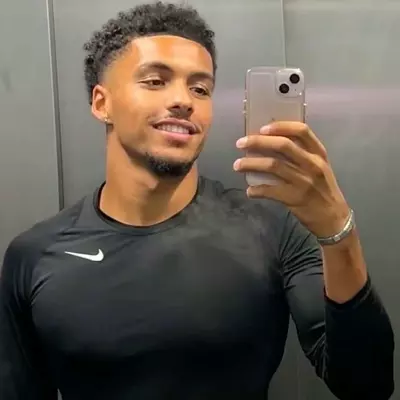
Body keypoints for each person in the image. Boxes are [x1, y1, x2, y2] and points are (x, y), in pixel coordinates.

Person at [0, 2, 394, 399]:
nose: (183, 100)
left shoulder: (271, 228)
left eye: (200, 88)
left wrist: (337, 233)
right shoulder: (35, 256)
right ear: (103, 103)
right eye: (155, 81)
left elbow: (367, 386)